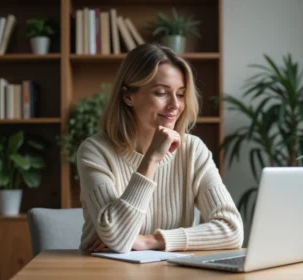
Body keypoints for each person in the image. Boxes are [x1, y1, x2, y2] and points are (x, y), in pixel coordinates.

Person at [77, 43, 243, 253]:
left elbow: (232, 229)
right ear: (128, 96)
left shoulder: (193, 150)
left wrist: (152, 241)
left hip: (171, 272)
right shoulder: (95, 151)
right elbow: (118, 239)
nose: (175, 104)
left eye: (181, 94)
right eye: (161, 92)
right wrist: (151, 160)